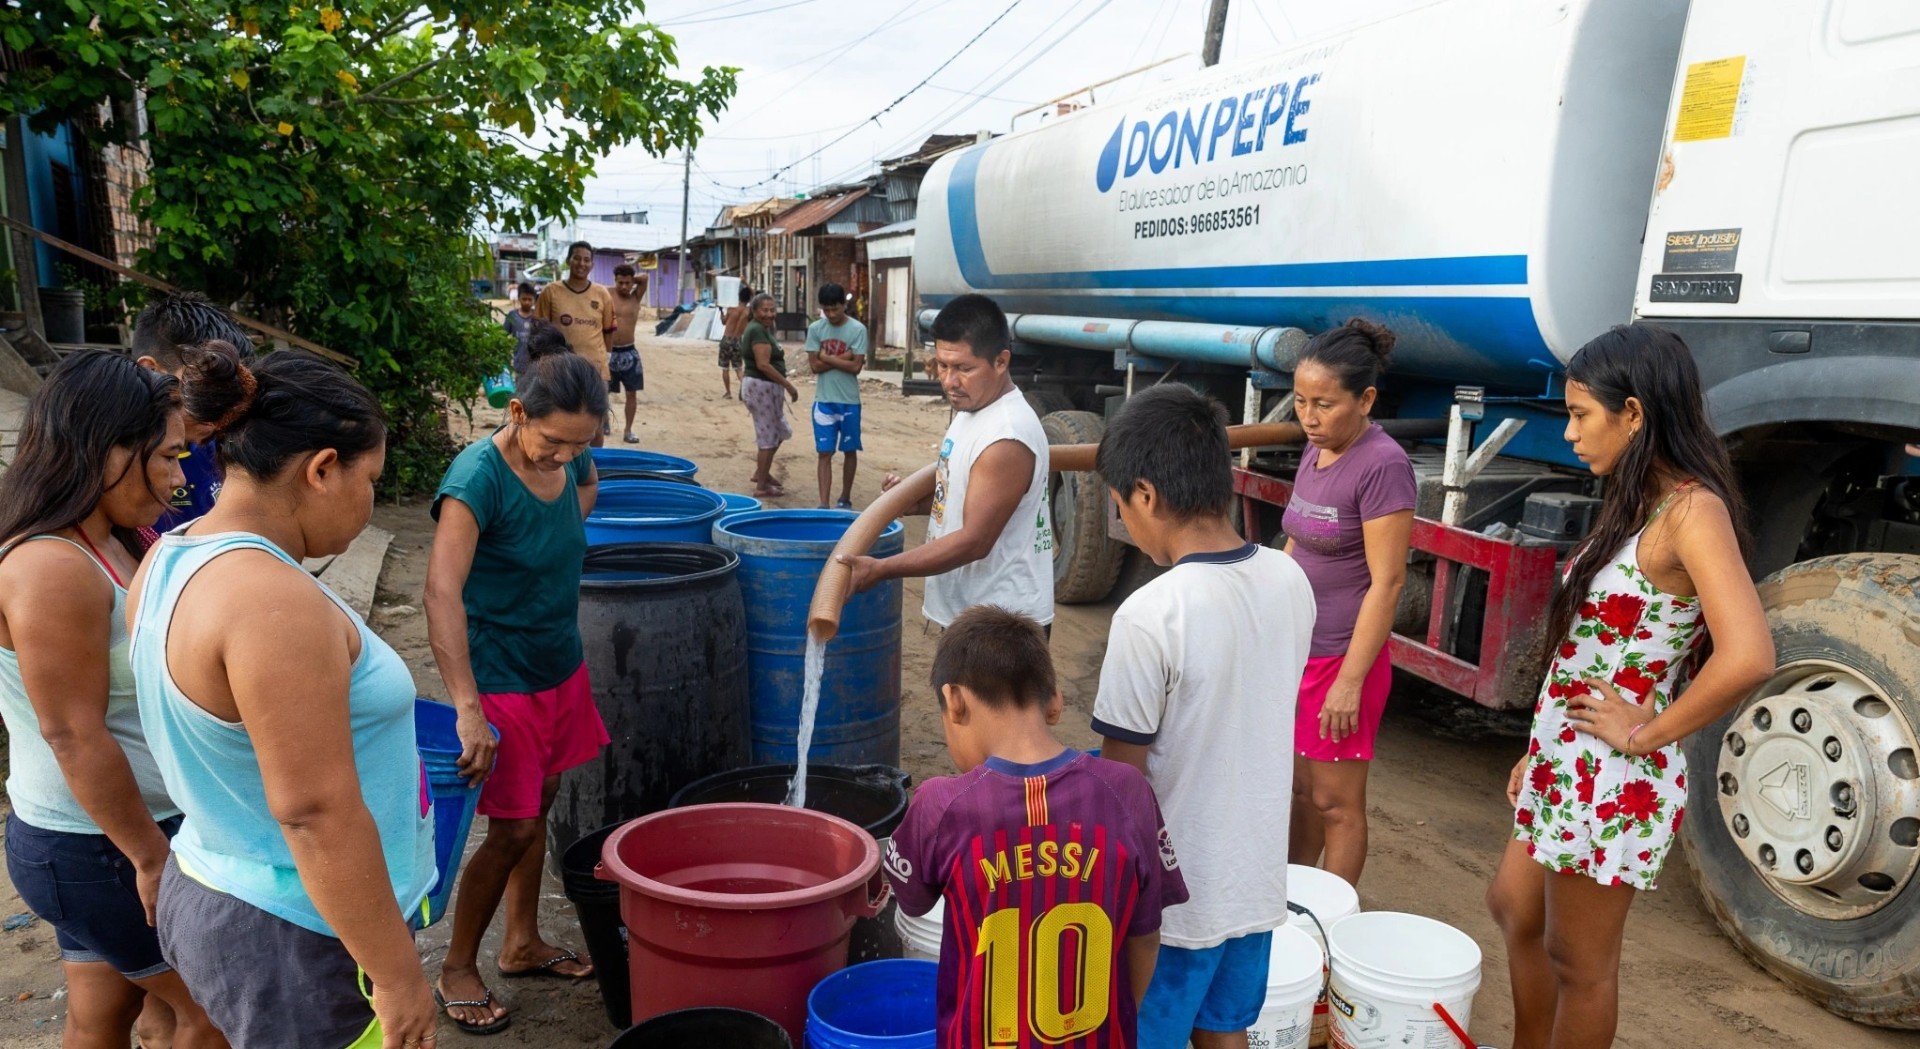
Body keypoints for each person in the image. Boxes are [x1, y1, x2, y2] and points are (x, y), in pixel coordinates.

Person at [127, 350, 438, 1049]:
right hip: (295, 931)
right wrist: (394, 974)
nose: (371, 501)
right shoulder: (270, 601)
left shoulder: (169, 555)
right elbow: (313, 811)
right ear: (322, 468)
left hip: (217, 875)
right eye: (371, 480)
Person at [1486, 324, 1772, 1049]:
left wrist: (1646, 731)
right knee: (1514, 907)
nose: (1571, 431)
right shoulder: (1634, 500)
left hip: (1614, 772)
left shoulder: (1691, 511)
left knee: (1578, 961)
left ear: (1636, 413)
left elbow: (1750, 654)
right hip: (1567, 756)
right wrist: (1537, 747)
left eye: (1583, 414)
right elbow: (1587, 647)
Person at [0, 350, 233, 1049]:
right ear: (106, 451)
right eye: (163, 457)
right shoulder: (49, 565)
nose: (175, 477)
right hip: (100, 844)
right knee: (213, 1011)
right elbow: (72, 731)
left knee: (104, 1017)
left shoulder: (109, 539)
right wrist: (150, 857)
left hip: (102, 837)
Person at [1090, 384, 1316, 1049]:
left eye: (1121, 507)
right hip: (1254, 887)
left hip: (1173, 910)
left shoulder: (1151, 614)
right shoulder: (1289, 579)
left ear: (1146, 495)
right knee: (1226, 1031)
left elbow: (1122, 787)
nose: (1126, 521)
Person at [884, 606, 1188, 1049]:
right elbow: (1145, 938)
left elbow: (909, 899)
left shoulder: (942, 803)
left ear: (953, 700)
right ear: (1055, 701)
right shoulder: (1127, 792)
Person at [425, 351, 610, 1035]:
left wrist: (570, 464)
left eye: (580, 443)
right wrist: (468, 707)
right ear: (516, 412)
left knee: (546, 796)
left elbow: (579, 491)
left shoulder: (574, 460)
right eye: (551, 439)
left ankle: (522, 939)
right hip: (500, 677)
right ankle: (455, 967)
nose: (565, 455)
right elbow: (441, 590)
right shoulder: (478, 477)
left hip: (559, 664)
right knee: (516, 827)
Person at [1281, 319, 1416, 888]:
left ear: (1365, 400)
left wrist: (1350, 682)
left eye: (1325, 404)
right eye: (1300, 402)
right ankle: (1286, 901)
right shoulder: (1318, 451)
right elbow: (1296, 537)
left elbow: (1387, 583)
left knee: (1335, 804)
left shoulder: (1382, 465)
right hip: (1297, 653)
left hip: (1341, 659)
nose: (1309, 418)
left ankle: (1330, 923)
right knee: (1300, 793)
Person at [841, 294, 1055, 634]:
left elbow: (975, 540)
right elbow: (967, 502)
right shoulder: (972, 409)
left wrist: (881, 568)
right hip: (970, 615)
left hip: (1001, 626)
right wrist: (917, 503)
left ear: (1001, 361)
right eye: (942, 365)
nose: (949, 381)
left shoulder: (1006, 437)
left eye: (963, 368)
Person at [131, 291, 257, 545]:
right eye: (206, 389)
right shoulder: (114, 466)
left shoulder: (219, 449)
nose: (222, 411)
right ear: (150, 371)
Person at [534, 240, 615, 445]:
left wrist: (607, 357)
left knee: (595, 426)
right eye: (577, 258)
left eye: (587, 260)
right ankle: (565, 471)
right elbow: (539, 330)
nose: (581, 263)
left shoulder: (602, 294)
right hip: (560, 370)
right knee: (560, 424)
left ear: (592, 265)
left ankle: (594, 469)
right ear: (568, 261)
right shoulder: (551, 292)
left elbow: (608, 331)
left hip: (595, 369)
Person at [805, 282, 868, 509]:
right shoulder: (815, 330)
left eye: (836, 309)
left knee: (850, 450)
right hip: (824, 402)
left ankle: (845, 497)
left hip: (850, 401)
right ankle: (823, 502)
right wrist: (846, 356)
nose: (831, 314)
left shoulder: (858, 329)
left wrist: (828, 358)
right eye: (827, 309)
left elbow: (856, 368)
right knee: (825, 452)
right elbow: (814, 366)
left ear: (844, 305)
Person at [740, 292, 800, 498]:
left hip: (767, 389)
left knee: (780, 431)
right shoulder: (757, 330)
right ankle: (762, 486)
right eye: (764, 310)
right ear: (755, 311)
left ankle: (761, 473)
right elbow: (763, 364)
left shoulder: (762, 329)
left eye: (772, 310)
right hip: (761, 388)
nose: (769, 314)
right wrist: (789, 386)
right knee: (767, 437)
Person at [607, 264, 645, 444]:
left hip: (629, 352)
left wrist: (632, 281)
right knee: (602, 392)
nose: (623, 286)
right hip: (609, 352)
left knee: (632, 393)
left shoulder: (636, 296)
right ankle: (603, 422)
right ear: (614, 281)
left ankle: (628, 430)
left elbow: (644, 278)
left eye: (627, 283)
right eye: (620, 282)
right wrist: (624, 280)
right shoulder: (606, 294)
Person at [717, 284, 751, 398]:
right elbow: (754, 294)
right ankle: (746, 390)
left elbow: (723, 322)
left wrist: (721, 312)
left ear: (739, 297)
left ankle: (728, 392)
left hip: (727, 339)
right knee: (738, 368)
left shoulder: (731, 309)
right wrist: (745, 282)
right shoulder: (748, 312)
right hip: (738, 341)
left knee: (725, 368)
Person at [504, 282, 538, 385]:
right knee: (520, 390)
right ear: (518, 298)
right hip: (519, 363)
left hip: (535, 364)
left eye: (530, 299)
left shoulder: (538, 316)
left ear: (534, 300)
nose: (527, 302)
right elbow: (503, 335)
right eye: (524, 299)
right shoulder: (512, 316)